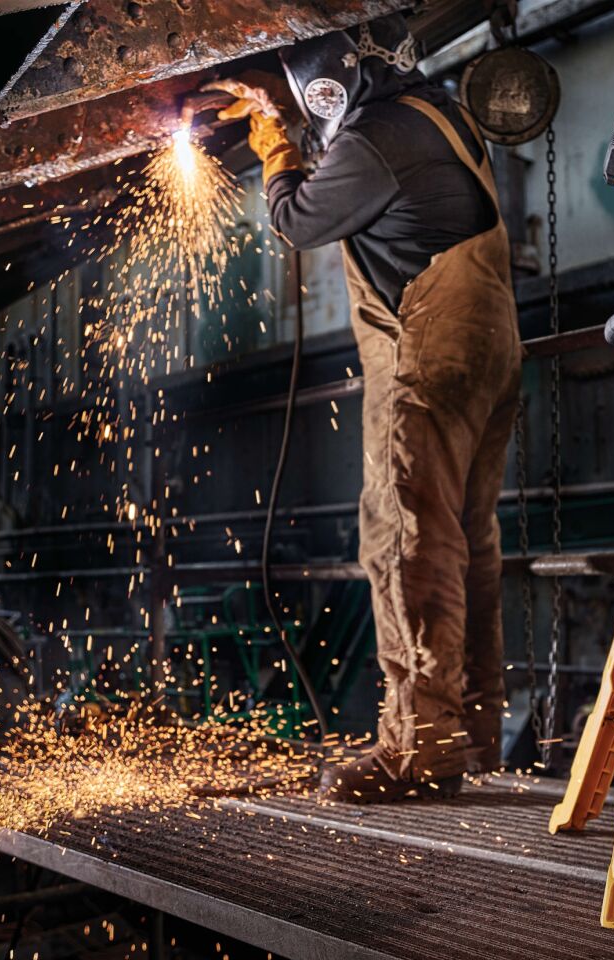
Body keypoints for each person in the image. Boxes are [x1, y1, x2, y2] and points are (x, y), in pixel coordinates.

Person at [208, 14, 522, 803]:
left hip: (431, 360)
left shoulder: (370, 141)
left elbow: (296, 220)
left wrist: (275, 146)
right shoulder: (436, 110)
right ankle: (472, 730)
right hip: (493, 351)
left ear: (329, 84)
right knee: (468, 542)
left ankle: (418, 749)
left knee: (405, 541)